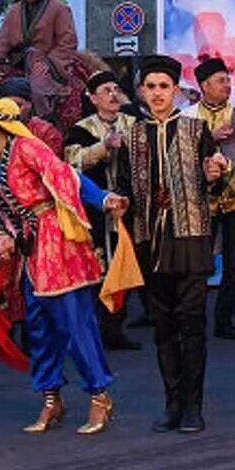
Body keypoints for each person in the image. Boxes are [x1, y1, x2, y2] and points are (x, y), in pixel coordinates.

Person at [0, 98, 125, 436]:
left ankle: (99, 394)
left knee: (75, 322)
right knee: (39, 325)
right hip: (31, 247)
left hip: (57, 241)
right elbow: (1, 208)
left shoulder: (27, 148)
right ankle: (50, 398)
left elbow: (66, 175)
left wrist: (101, 199)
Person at [111, 56, 231, 432]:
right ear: (141, 92)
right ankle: (172, 403)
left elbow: (219, 184)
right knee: (163, 326)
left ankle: (194, 406)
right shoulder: (131, 136)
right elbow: (126, 188)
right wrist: (120, 203)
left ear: (176, 92)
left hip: (191, 236)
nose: (158, 93)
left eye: (165, 87)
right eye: (151, 87)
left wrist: (216, 175)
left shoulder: (197, 130)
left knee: (192, 324)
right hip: (151, 240)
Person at [64, 70, 142, 351]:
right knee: (97, 267)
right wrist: (103, 146)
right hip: (94, 210)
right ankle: (94, 328)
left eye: (116, 89)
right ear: (93, 98)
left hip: (129, 207)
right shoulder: (81, 128)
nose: (113, 95)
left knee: (124, 265)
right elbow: (71, 165)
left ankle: (115, 327)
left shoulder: (135, 123)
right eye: (106, 91)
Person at [183, 56, 235, 342]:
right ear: (203, 86)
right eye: (220, 80)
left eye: (227, 80)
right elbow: (181, 154)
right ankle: (195, 318)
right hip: (202, 202)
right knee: (200, 263)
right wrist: (209, 137)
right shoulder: (188, 116)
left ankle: (225, 321)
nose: (227, 85)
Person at [0, 0, 85, 126]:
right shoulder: (14, 11)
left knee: (37, 86)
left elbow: (68, 41)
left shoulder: (59, 9)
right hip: (17, 60)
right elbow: (3, 40)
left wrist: (48, 62)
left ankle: (43, 125)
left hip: (46, 61)